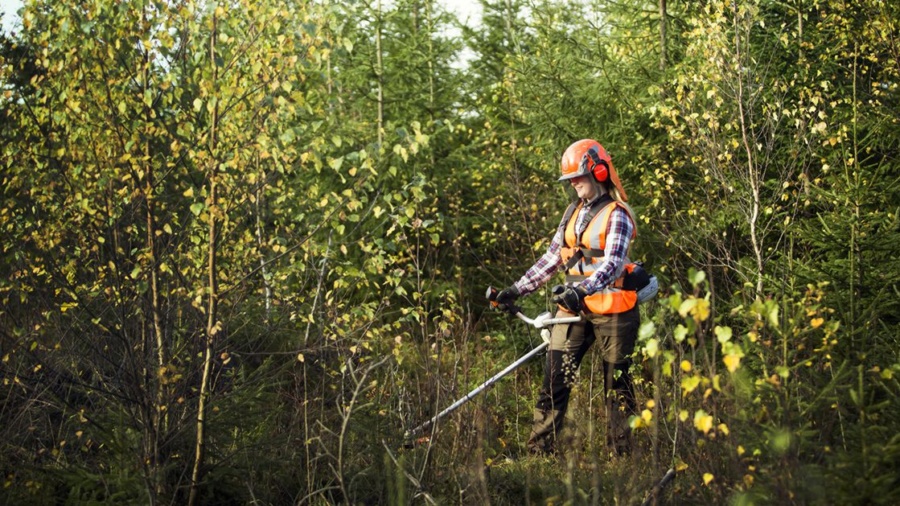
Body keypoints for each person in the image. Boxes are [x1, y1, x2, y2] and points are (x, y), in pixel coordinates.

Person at [495, 138, 643, 456]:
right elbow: (552, 259)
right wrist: (516, 289)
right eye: (570, 179)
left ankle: (624, 458)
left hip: (613, 310)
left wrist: (583, 289)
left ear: (599, 172)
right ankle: (539, 453)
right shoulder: (572, 213)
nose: (573, 184)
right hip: (573, 308)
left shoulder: (618, 214)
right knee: (554, 381)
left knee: (616, 388)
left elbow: (613, 263)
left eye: (578, 176)